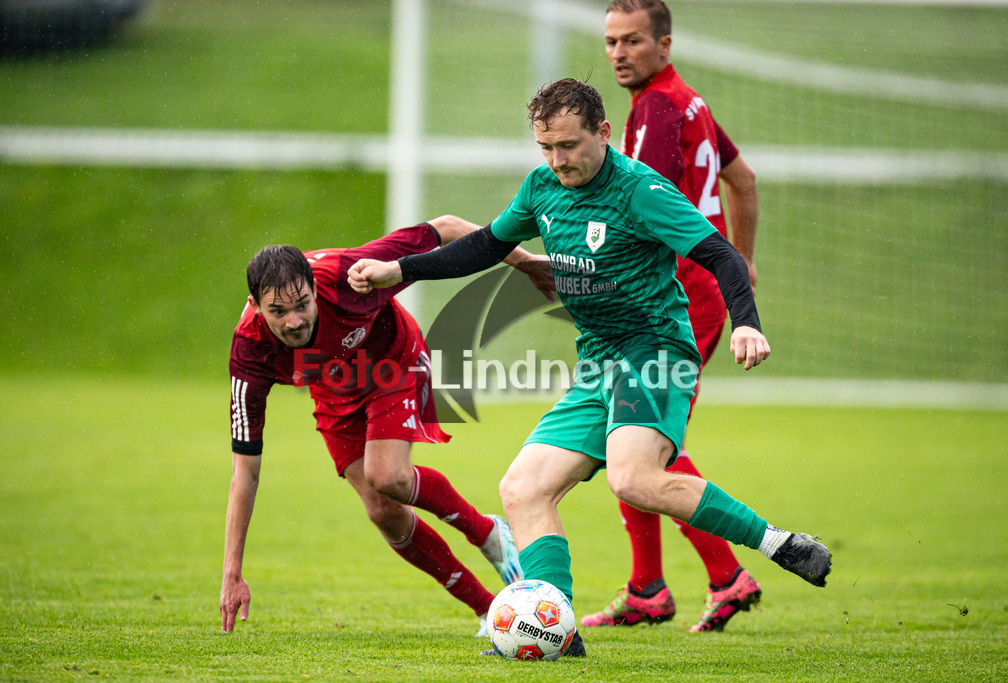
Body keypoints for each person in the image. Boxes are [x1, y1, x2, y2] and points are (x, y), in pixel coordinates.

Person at [347, 78, 832, 658]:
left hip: (655, 352)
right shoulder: (541, 187)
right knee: (522, 488)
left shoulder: (640, 191)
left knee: (633, 479)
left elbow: (719, 254)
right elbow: (484, 246)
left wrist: (746, 323)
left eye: (569, 146)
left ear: (603, 133)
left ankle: (780, 544)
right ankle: (556, 631)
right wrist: (401, 270)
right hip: (597, 362)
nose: (557, 161)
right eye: (546, 148)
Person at [220, 220, 555, 636]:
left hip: (392, 361)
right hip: (333, 389)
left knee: (387, 476)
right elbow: (245, 470)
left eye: (302, 305)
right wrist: (232, 572)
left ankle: (486, 534)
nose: (293, 321)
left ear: (315, 288)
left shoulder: (348, 276)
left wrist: (525, 263)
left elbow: (446, 228)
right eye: (278, 312)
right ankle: (488, 610)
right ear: (255, 306)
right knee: (383, 511)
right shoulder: (249, 354)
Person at [579, 0, 765, 633]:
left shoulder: (658, 108)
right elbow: (743, 179)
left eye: (632, 40)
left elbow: (641, 209)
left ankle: (724, 575)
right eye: (611, 40)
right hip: (689, 293)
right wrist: (741, 260)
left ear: (664, 44)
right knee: (629, 429)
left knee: (643, 441)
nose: (618, 53)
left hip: (672, 302)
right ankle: (647, 588)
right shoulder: (687, 101)